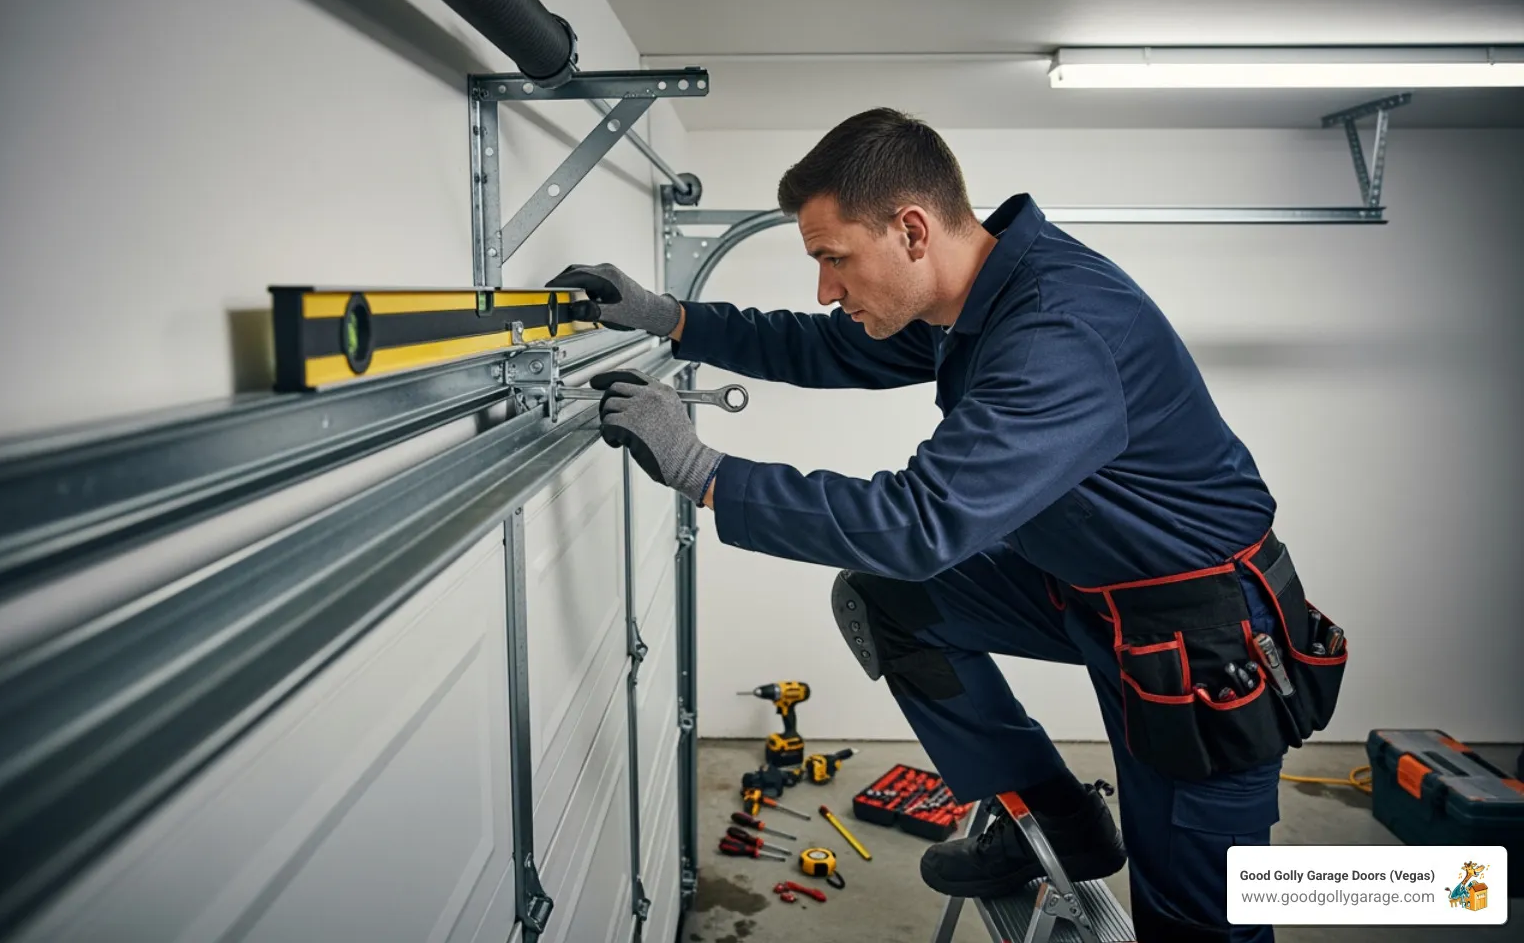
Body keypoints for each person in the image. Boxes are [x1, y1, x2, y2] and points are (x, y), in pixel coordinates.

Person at [547, 108, 1347, 943]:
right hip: (1089, 585)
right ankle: (1057, 822)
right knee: (896, 600)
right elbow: (833, 349)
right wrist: (670, 316)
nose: (826, 287)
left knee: (1198, 921)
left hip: (1200, 637)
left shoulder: (1052, 334)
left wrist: (705, 473)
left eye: (833, 259)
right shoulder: (978, 295)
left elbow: (919, 522)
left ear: (913, 231)